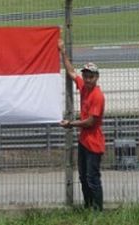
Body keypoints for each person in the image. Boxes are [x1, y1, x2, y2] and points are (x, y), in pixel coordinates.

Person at [58, 39, 105, 210]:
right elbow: (71, 73)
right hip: (84, 142)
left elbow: (91, 122)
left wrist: (70, 124)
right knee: (84, 177)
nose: (87, 78)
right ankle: (88, 206)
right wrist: (63, 52)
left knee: (92, 178)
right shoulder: (84, 87)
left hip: (94, 143)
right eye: (85, 75)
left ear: (96, 77)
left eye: (90, 76)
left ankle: (98, 210)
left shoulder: (97, 96)